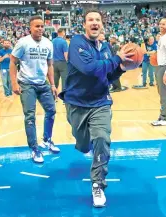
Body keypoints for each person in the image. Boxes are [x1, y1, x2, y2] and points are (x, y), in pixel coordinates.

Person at [59, 9, 133, 207]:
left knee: (101, 138)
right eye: (90, 19)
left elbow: (107, 77)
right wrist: (116, 59)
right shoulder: (77, 43)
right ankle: (86, 144)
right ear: (84, 24)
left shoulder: (106, 47)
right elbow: (90, 69)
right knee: (83, 144)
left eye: (97, 20)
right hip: (76, 103)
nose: (94, 22)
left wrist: (121, 69)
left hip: (100, 102)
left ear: (102, 24)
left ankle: (98, 185)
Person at [10, 15, 60, 163]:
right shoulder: (23, 42)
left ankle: (47, 139)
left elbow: (50, 65)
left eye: (42, 26)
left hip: (42, 83)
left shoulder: (48, 43)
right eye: (36, 26)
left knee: (51, 110)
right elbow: (13, 62)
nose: (40, 29)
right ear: (30, 28)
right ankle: (34, 149)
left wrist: (52, 84)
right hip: (26, 83)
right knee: (30, 117)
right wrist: (14, 83)